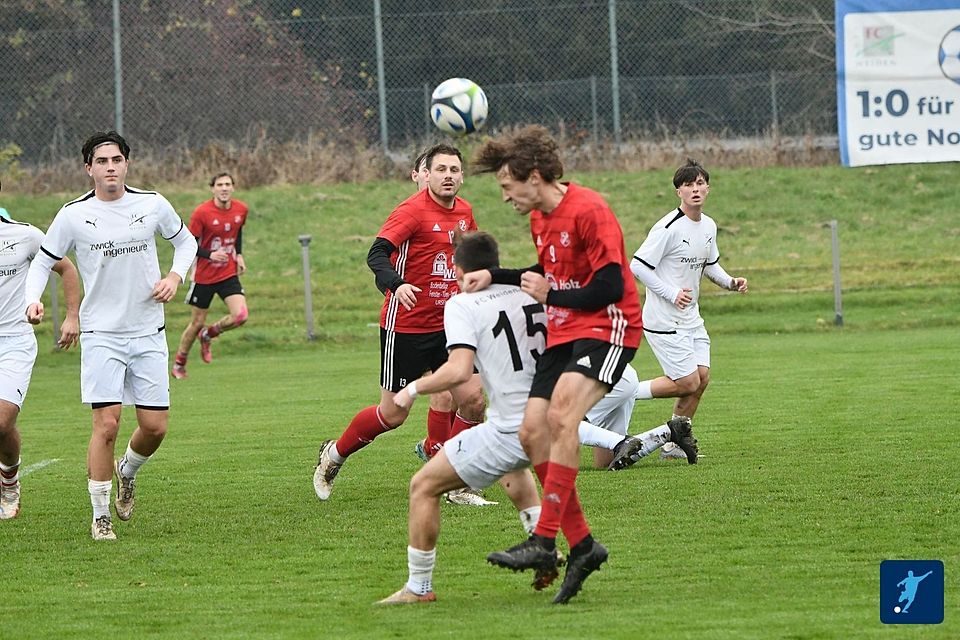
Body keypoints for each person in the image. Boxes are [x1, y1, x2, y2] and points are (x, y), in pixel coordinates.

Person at [377, 231, 691, 604]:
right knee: (512, 468)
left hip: (512, 426)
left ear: (459, 271)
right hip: (547, 418)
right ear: (497, 264)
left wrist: (410, 390)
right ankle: (543, 547)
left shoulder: (461, 303)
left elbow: (459, 370)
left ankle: (419, 588)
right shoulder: (530, 291)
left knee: (423, 486)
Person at [465, 125, 697, 604]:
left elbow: (610, 288)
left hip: (609, 328)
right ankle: (585, 547)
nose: (506, 199)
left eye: (508, 189)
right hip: (565, 332)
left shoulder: (590, 210)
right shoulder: (539, 219)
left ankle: (545, 540)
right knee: (530, 431)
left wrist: (555, 294)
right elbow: (546, 273)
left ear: (534, 177)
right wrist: (497, 275)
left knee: (562, 417)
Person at [24, 131, 197, 540]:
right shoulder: (71, 215)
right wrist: (32, 299)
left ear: (127, 164)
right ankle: (100, 514)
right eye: (101, 162)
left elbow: (186, 243)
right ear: (89, 169)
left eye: (116, 160)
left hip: (148, 332)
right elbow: (42, 262)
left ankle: (127, 471)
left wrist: (175, 275)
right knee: (107, 424)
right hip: (101, 333)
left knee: (155, 427)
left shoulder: (152, 204)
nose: (110, 168)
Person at [313, 144, 488, 504]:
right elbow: (376, 253)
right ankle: (334, 454)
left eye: (455, 170)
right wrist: (397, 283)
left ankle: (455, 481)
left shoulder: (465, 212)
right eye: (441, 169)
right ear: (427, 174)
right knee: (393, 414)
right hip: (405, 327)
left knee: (472, 399)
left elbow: (467, 256)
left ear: (462, 176)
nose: (448, 176)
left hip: (449, 326)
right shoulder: (411, 211)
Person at [629, 159, 747, 461]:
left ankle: (672, 445)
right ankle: (619, 393)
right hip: (663, 319)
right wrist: (670, 293)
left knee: (702, 379)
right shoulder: (667, 227)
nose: (695, 189)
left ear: (707, 188)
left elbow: (710, 265)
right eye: (688, 185)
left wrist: (731, 283)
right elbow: (638, 266)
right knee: (687, 382)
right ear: (678, 191)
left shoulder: (708, 225)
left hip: (691, 319)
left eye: (699, 183)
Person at [0, 180, 81, 520]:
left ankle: (9, 481)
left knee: (2, 423)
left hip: (14, 341)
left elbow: (66, 268)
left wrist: (72, 316)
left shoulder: (24, 235)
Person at [172, 172, 249, 378]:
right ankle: (180, 362)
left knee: (241, 316)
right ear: (212, 188)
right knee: (196, 322)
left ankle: (209, 334)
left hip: (227, 273)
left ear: (233, 187)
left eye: (228, 184)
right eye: (220, 185)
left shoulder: (241, 209)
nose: (224, 188)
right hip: (204, 277)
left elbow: (237, 231)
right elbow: (188, 244)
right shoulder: (202, 213)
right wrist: (210, 254)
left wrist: (238, 255)